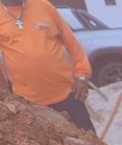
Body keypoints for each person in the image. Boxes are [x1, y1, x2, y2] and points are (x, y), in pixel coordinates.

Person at [0, 0, 94, 132]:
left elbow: (71, 42)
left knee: (90, 142)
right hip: (28, 103)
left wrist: (82, 75)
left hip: (68, 94)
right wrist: (4, 93)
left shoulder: (43, 6)